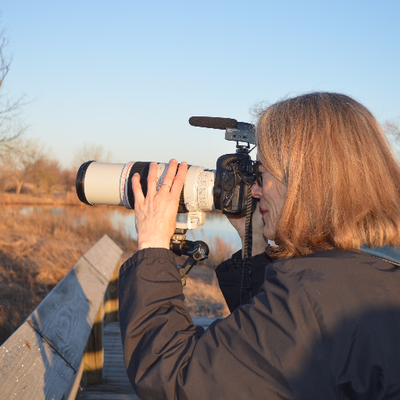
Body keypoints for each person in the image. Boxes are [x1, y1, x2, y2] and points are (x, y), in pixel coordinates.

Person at [118, 92, 400, 399]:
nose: (254, 190)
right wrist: (253, 239)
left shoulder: (309, 296)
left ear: (303, 183)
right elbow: (268, 360)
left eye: (262, 175)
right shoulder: (373, 267)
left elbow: (174, 377)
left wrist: (152, 246)